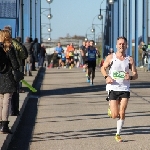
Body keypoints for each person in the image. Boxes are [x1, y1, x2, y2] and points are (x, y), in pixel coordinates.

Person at [101, 37, 138, 142]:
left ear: (126, 45)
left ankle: (118, 134)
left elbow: (136, 74)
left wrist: (130, 77)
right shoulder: (111, 57)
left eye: (123, 44)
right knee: (114, 115)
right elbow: (103, 68)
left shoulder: (129, 59)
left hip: (125, 88)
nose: (121, 46)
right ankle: (111, 109)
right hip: (113, 87)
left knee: (122, 112)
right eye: (120, 44)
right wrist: (106, 77)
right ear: (117, 45)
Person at [0, 30, 23, 134]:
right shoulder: (9, 48)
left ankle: (0, 123)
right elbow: (15, 64)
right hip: (8, 77)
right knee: (6, 101)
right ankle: (4, 125)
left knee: (0, 102)